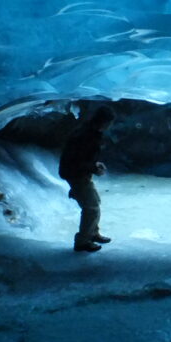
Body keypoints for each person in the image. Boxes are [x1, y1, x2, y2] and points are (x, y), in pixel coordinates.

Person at [59, 105, 116, 253]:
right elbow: (76, 160)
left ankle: (92, 233)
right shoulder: (86, 135)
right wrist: (93, 168)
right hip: (75, 173)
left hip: (78, 172)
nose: (110, 126)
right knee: (91, 207)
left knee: (94, 201)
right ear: (105, 122)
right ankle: (82, 241)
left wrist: (94, 165)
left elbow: (84, 157)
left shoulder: (90, 132)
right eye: (110, 122)